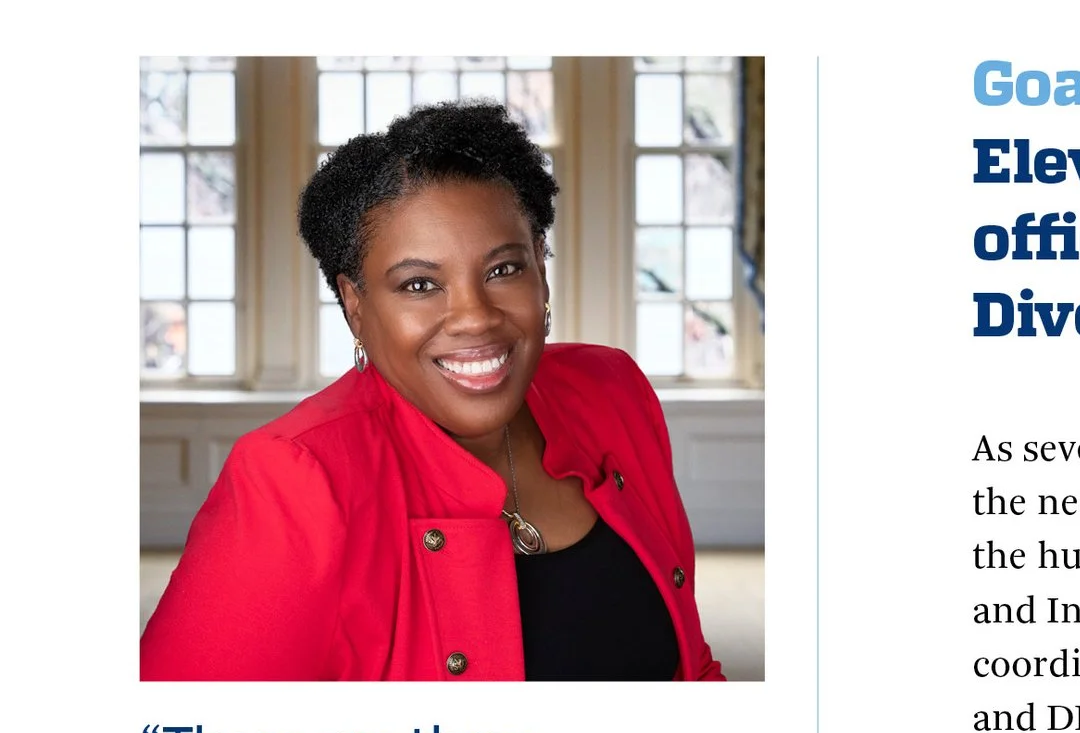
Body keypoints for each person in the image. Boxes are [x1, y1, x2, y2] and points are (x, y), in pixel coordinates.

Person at [142, 103, 723, 681]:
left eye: (503, 270)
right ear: (356, 306)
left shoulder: (611, 392)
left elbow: (691, 669)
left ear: (541, 274)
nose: (474, 317)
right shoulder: (295, 478)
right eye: (420, 284)